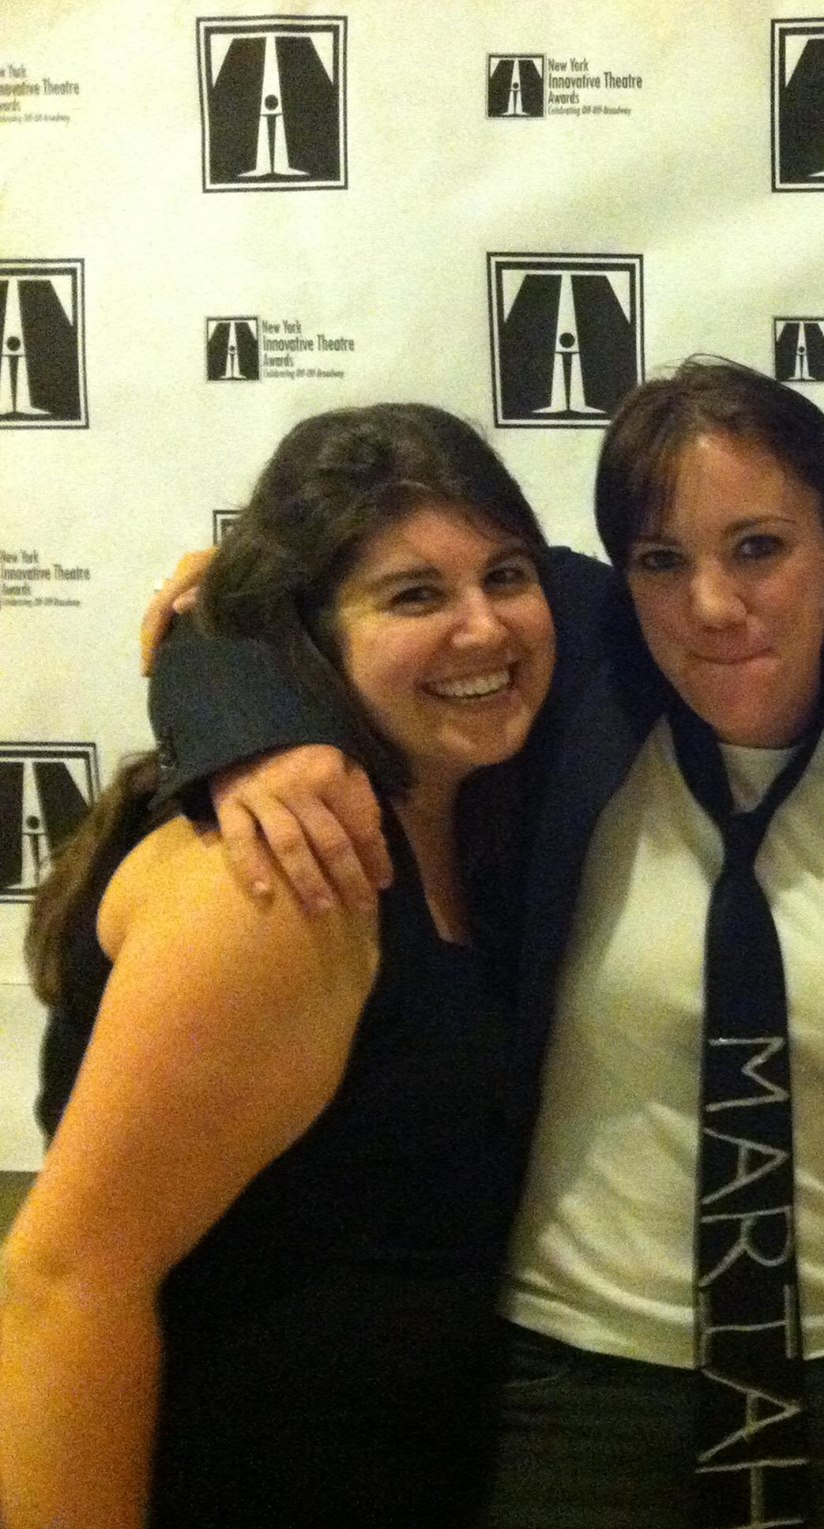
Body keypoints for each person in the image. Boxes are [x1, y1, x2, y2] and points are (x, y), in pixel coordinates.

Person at [139, 361, 824, 1528]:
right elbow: (226, 605)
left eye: (759, 547)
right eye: (663, 560)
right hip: (567, 1395)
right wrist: (256, 736)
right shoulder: (570, 680)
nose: (712, 605)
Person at [0, 403, 557, 1527]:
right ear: (306, 632)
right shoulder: (270, 883)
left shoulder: (467, 811)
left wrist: (219, 652)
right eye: (413, 595)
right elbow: (63, 1288)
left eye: (506, 574)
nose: (483, 627)